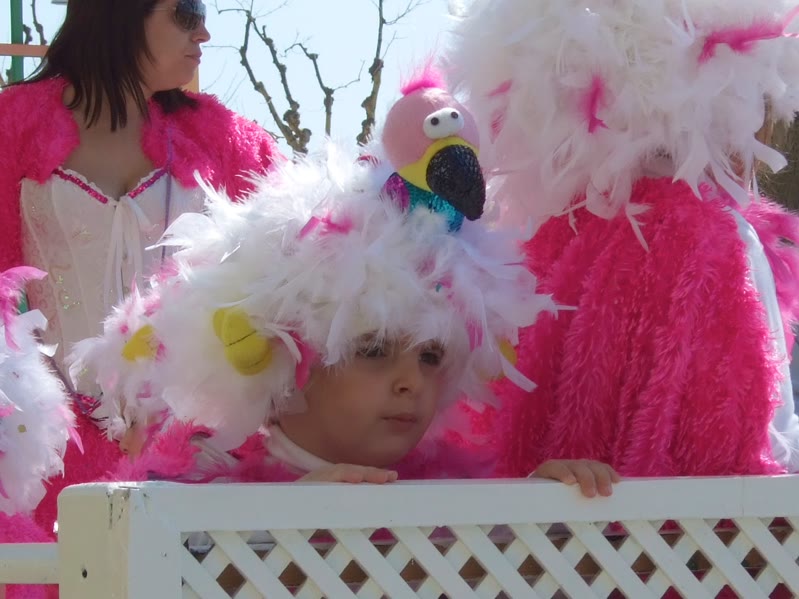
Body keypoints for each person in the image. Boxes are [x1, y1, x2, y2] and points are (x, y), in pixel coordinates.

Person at [74, 72, 620, 498]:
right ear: (282, 358)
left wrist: (540, 509)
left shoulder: (451, 497)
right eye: (374, 349)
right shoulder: (189, 496)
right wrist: (287, 529)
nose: (411, 382)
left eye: (432, 356)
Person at [445, 0, 799, 477]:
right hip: (705, 516)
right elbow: (770, 434)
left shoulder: (538, 236)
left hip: (559, 512)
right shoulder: (719, 237)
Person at [0, 0, 280, 541]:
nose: (204, 31)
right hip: (49, 457)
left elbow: (303, 256)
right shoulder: (13, 124)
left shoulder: (223, 139)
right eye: (187, 12)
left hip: (197, 456)